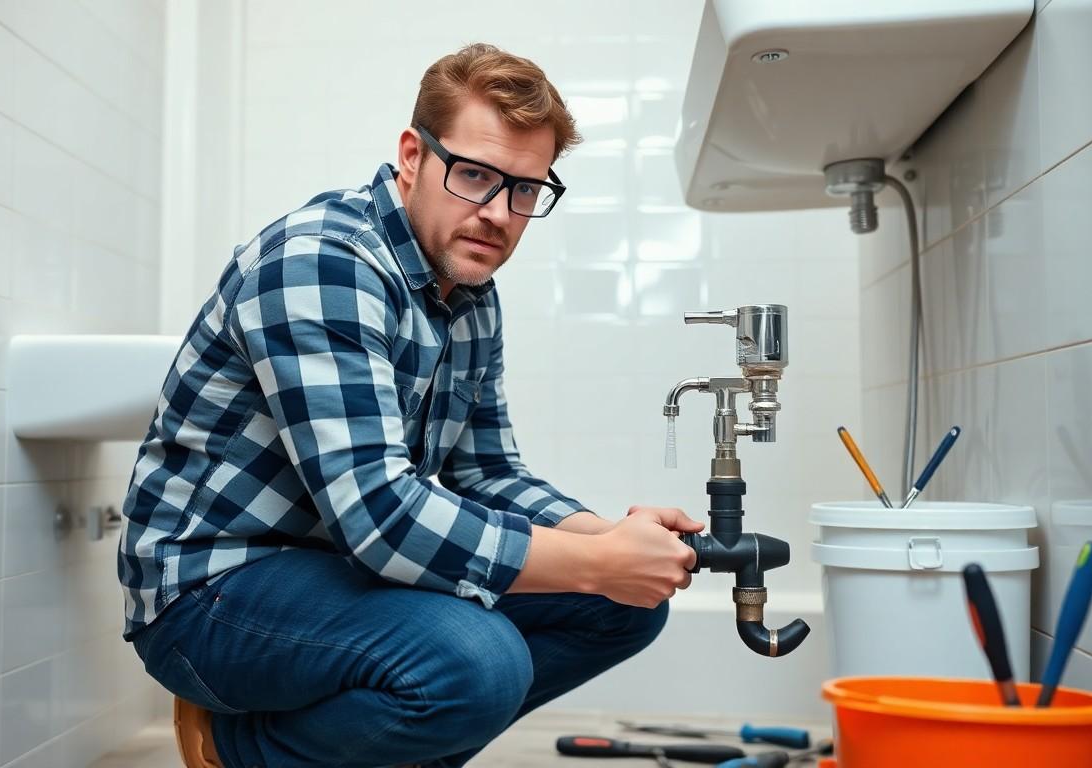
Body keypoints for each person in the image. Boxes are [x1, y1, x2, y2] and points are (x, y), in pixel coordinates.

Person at [118, 42, 702, 768]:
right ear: (413, 156)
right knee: (476, 665)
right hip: (213, 590)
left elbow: (487, 471)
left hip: (340, 570)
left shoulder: (470, 292)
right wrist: (594, 562)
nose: (498, 213)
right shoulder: (322, 263)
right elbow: (382, 515)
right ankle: (242, 750)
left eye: (525, 190)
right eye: (476, 176)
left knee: (624, 606)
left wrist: (607, 539)